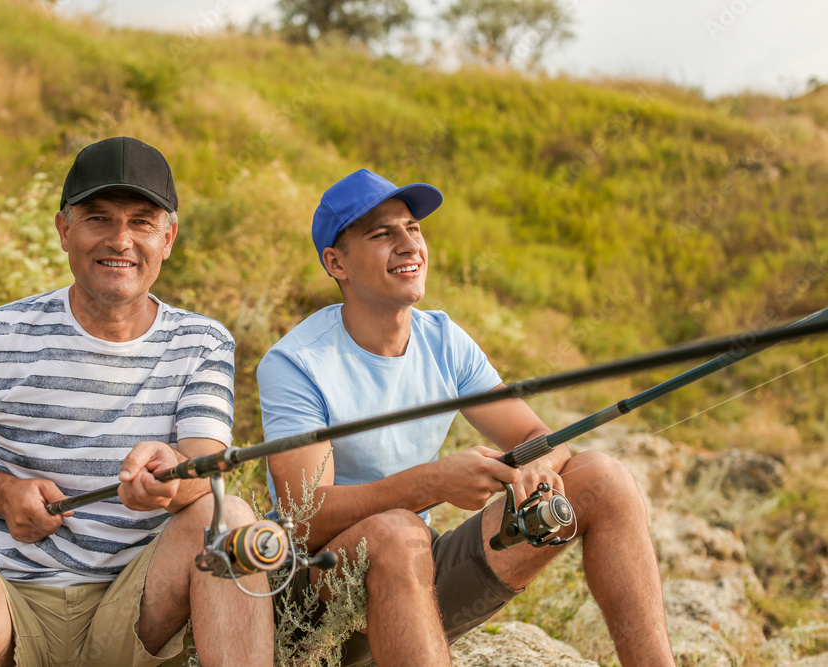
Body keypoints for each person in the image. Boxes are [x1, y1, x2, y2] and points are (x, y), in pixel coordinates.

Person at [257, 168, 675, 667]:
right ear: (336, 262)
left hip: (412, 580)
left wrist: (537, 466)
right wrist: (433, 481)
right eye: (382, 233)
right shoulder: (296, 362)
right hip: (314, 604)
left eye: (413, 228)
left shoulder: (444, 339)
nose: (409, 244)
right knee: (398, 531)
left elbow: (537, 434)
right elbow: (306, 519)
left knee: (604, 477)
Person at [0, 136, 273, 667]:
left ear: (168, 238)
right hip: (10, 604)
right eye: (98, 218)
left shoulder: (202, 342)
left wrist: (171, 481)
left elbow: (201, 464)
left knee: (229, 517)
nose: (120, 239)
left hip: (139, 610)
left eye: (142, 222)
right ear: (64, 230)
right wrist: (3, 493)